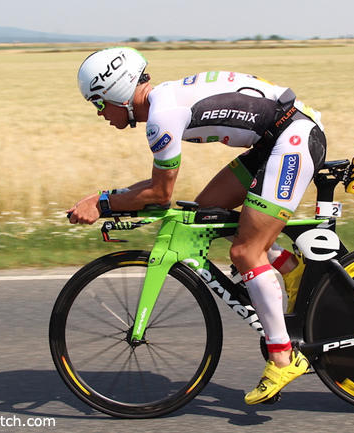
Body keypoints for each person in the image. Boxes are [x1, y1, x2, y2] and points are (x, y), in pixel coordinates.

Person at [68, 47, 327, 404]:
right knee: (207, 212)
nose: (100, 113)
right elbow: (160, 192)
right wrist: (109, 201)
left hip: (293, 139)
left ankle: (283, 358)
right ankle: (290, 269)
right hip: (276, 139)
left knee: (245, 251)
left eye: (99, 103)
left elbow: (161, 194)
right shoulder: (163, 102)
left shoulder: (161, 117)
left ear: (118, 93)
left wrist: (102, 203)